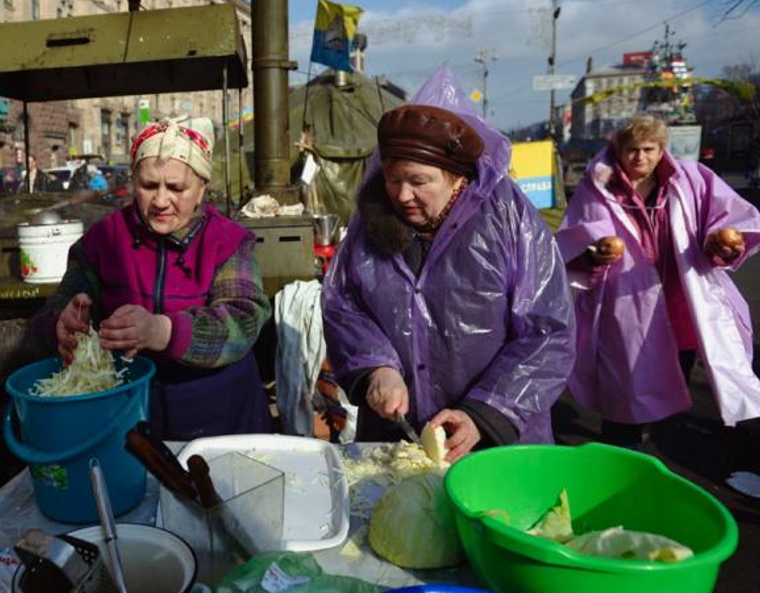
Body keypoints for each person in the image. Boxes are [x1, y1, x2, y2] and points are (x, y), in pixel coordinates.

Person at [321, 67, 576, 463]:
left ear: (457, 178)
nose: (402, 195)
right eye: (392, 179)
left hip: (498, 443)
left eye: (419, 181)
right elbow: (344, 304)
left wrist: (484, 413)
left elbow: (548, 329)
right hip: (399, 442)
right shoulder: (369, 222)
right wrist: (376, 368)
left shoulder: (506, 217)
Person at [30, 116, 273, 440]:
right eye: (148, 186)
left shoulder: (227, 241)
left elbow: (243, 320)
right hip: (130, 421)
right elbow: (53, 310)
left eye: (176, 188)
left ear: (202, 187)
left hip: (219, 420)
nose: (160, 201)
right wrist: (59, 325)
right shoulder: (104, 239)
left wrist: (163, 330)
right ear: (132, 181)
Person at [555, 114, 760, 448]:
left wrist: (719, 243)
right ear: (618, 150)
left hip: (682, 306)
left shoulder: (691, 179)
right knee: (623, 384)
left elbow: (722, 220)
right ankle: (619, 452)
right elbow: (574, 239)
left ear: (661, 149)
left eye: (649, 149)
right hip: (623, 307)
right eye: (632, 149)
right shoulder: (599, 188)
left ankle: (647, 435)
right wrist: (594, 255)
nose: (640, 157)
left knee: (670, 375)